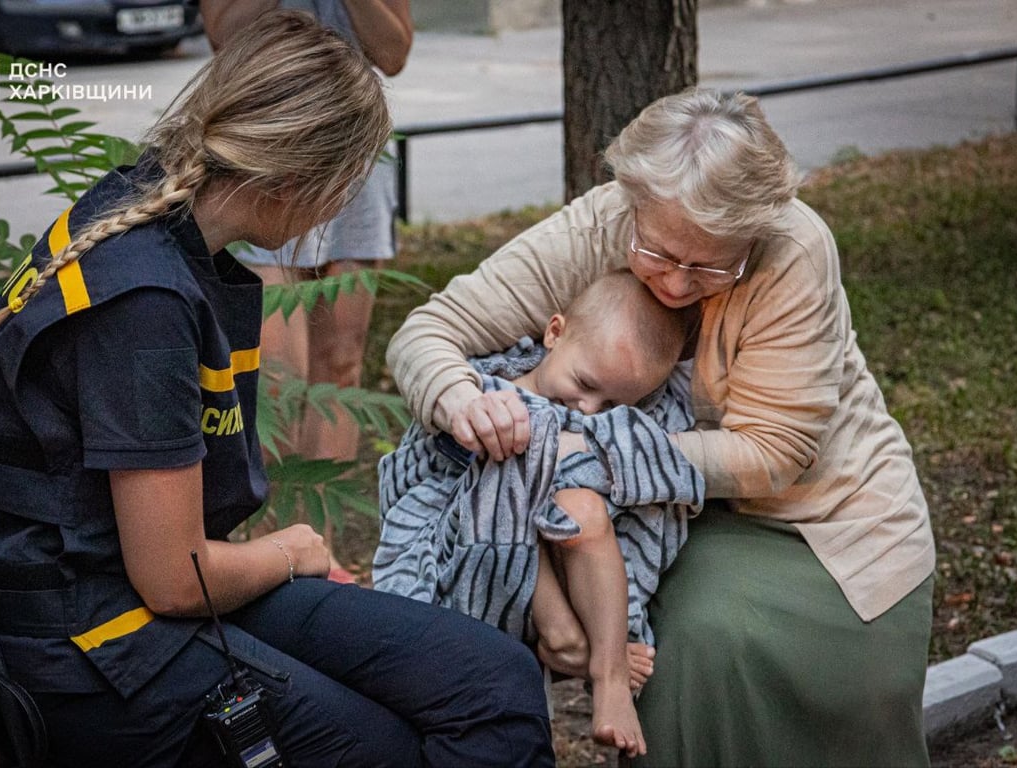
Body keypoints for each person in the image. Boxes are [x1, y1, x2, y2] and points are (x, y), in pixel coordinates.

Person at [0, 12, 555, 768]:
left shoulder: (145, 208)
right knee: (394, 745)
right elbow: (173, 580)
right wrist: (291, 549)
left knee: (496, 681)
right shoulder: (144, 303)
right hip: (94, 655)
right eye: (348, 185)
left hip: (129, 601)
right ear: (298, 183)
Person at [386, 87, 936, 767]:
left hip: (823, 522)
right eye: (657, 252)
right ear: (633, 202)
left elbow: (775, 453)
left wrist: (587, 450)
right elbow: (429, 333)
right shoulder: (606, 220)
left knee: (683, 646)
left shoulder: (794, 249)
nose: (675, 284)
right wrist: (461, 399)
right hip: (668, 510)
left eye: (709, 264)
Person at [374, 270, 704, 758]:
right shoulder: (487, 388)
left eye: (613, 404)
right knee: (511, 457)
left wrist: (575, 457)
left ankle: (606, 675)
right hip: (467, 560)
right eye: (585, 383)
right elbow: (430, 480)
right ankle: (569, 640)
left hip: (570, 565)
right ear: (555, 332)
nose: (589, 410)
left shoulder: (596, 417)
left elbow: (650, 477)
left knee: (582, 507)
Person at [200, 0, 413, 581]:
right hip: (269, 142)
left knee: (339, 368)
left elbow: (392, 52)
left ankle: (320, 549)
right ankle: (266, 551)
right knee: (273, 378)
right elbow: (225, 33)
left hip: (351, 146)